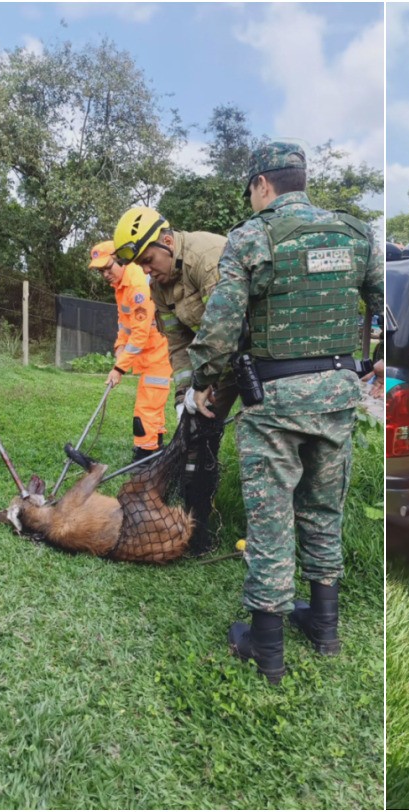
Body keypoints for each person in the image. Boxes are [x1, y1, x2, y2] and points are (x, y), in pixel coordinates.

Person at [187, 140, 384, 684]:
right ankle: (324, 627)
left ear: (262, 184)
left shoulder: (251, 237)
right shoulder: (356, 233)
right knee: (323, 510)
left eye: (250, 190)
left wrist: (202, 381)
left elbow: (220, 328)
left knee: (271, 519)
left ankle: (267, 648)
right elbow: (386, 307)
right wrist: (376, 360)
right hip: (339, 397)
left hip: (274, 400)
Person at [111, 207, 232, 556]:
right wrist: (184, 396)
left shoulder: (206, 258)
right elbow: (179, 344)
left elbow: (225, 327)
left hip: (253, 355)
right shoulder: (160, 289)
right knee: (197, 433)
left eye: (149, 261)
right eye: (141, 266)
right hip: (214, 363)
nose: (147, 271)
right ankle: (197, 529)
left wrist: (204, 382)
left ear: (167, 241)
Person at [88, 241, 172, 460]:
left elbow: (140, 334)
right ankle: (155, 446)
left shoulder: (137, 286)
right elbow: (125, 323)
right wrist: (120, 346)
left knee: (147, 406)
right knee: (152, 403)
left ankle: (146, 455)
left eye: (108, 268)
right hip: (147, 353)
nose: (105, 274)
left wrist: (119, 368)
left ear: (122, 261)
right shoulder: (121, 286)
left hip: (157, 352)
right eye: (101, 271)